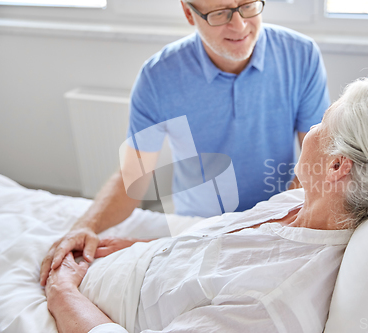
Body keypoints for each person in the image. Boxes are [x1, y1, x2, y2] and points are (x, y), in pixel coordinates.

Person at [44, 66, 368, 333]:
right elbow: (223, 247)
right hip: (123, 263)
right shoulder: (301, 204)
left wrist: (62, 290)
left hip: (80, 304)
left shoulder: (271, 302)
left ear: (337, 167)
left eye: (322, 123)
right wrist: (145, 247)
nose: (310, 131)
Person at [40, 0, 330, 285]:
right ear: (189, 13)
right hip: (194, 226)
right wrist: (85, 227)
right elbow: (133, 178)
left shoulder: (301, 55)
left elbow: (316, 165)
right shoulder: (158, 77)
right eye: (220, 13)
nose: (239, 24)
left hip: (275, 219)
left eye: (247, 5)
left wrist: (267, 225)